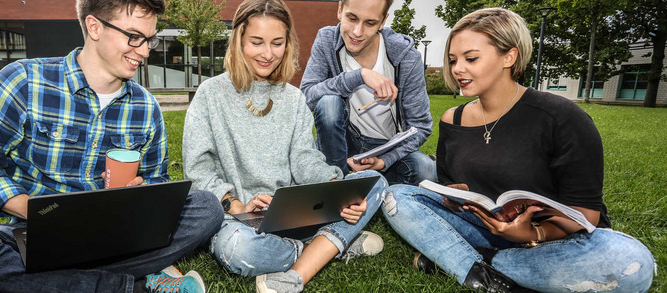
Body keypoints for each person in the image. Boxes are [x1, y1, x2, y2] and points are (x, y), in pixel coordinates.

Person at [0, 0, 223, 292]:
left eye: (149, 40)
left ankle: (54, 283)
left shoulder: (146, 106)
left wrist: (137, 196)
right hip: (34, 233)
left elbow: (158, 183)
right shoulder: (23, 81)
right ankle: (131, 284)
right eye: (133, 37)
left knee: (206, 208)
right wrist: (36, 212)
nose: (143, 51)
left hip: (116, 234)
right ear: (94, 27)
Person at [383, 8, 655, 293]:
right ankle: (499, 276)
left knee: (632, 263)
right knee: (398, 196)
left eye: (471, 58)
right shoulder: (453, 119)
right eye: (453, 60)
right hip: (486, 228)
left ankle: (469, 263)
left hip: (559, 241)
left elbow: (586, 214)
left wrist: (534, 232)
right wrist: (453, 198)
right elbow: (452, 186)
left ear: (509, 57)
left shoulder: (560, 116)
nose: (457, 69)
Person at [181, 0, 388, 292]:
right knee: (239, 250)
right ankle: (328, 246)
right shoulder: (210, 94)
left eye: (277, 43)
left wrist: (334, 187)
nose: (268, 54)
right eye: (257, 42)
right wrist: (236, 205)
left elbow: (305, 160)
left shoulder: (293, 98)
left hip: (295, 213)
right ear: (238, 40)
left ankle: (318, 242)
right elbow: (199, 170)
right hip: (238, 220)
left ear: (287, 44)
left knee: (375, 181)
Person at [300, 0, 436, 185]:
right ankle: (336, 182)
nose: (357, 32)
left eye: (370, 23)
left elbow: (420, 126)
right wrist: (358, 76)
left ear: (382, 22)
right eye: (352, 18)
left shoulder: (407, 57)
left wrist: (384, 160)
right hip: (342, 143)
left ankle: (371, 181)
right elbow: (306, 97)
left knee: (426, 170)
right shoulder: (326, 40)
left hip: (386, 147)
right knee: (328, 102)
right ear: (340, 10)